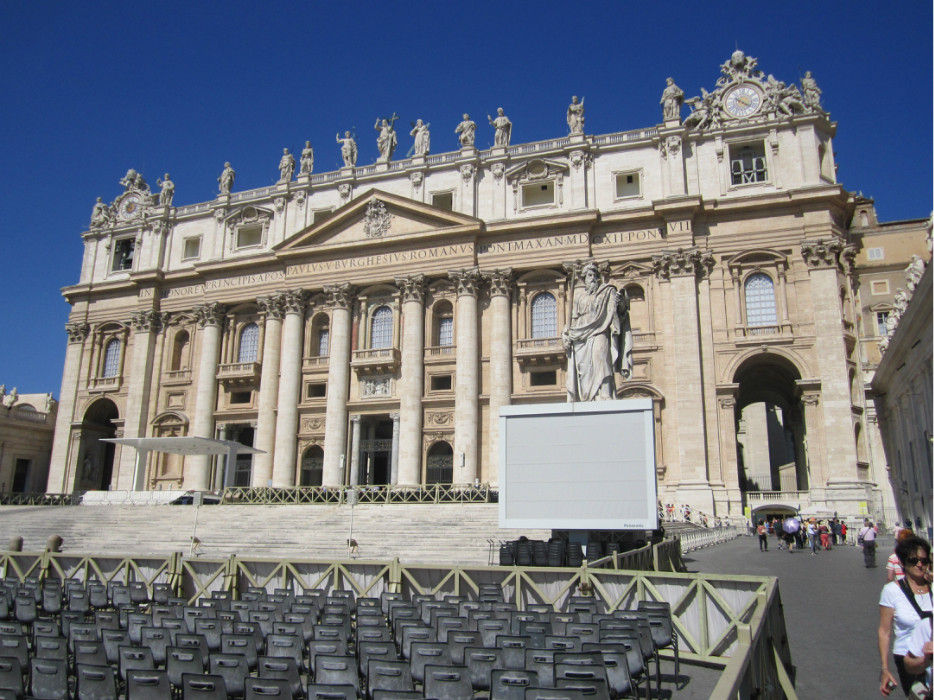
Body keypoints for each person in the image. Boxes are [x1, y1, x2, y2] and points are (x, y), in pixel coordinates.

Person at [562, 262, 633, 402]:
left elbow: (620, 313)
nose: (593, 278)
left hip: (600, 331)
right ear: (584, 279)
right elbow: (573, 319)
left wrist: (620, 303)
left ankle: (604, 395)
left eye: (595, 275)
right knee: (585, 370)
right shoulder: (578, 297)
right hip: (581, 336)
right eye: (589, 275)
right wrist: (566, 333)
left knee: (601, 358)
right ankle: (587, 398)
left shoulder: (607, 292)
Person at [879, 535, 933, 696]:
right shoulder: (891, 591)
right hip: (908, 657)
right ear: (902, 562)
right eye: (913, 560)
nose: (919, 564)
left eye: (924, 561)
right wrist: (884, 668)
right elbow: (884, 632)